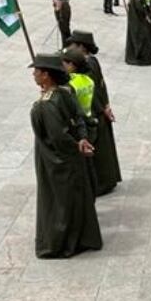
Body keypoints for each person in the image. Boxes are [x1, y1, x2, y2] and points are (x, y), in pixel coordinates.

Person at [29, 52, 102, 258]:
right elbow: (79, 119)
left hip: (55, 161)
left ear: (46, 75)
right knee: (73, 199)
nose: (34, 74)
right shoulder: (64, 93)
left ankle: (60, 242)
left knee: (58, 202)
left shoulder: (47, 104)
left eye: (37, 71)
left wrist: (76, 145)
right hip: (72, 156)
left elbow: (58, 137)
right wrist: (82, 139)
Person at [65, 31, 121, 195]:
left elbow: (95, 90)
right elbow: (102, 85)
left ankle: (101, 183)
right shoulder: (92, 61)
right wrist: (107, 104)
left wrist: (102, 107)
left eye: (73, 45)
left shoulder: (86, 67)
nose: (70, 47)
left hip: (94, 113)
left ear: (81, 46)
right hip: (100, 108)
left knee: (98, 153)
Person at [124, 0, 151, 66]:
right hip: (136, 21)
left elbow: (140, 9)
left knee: (138, 38)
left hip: (137, 22)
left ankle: (139, 57)